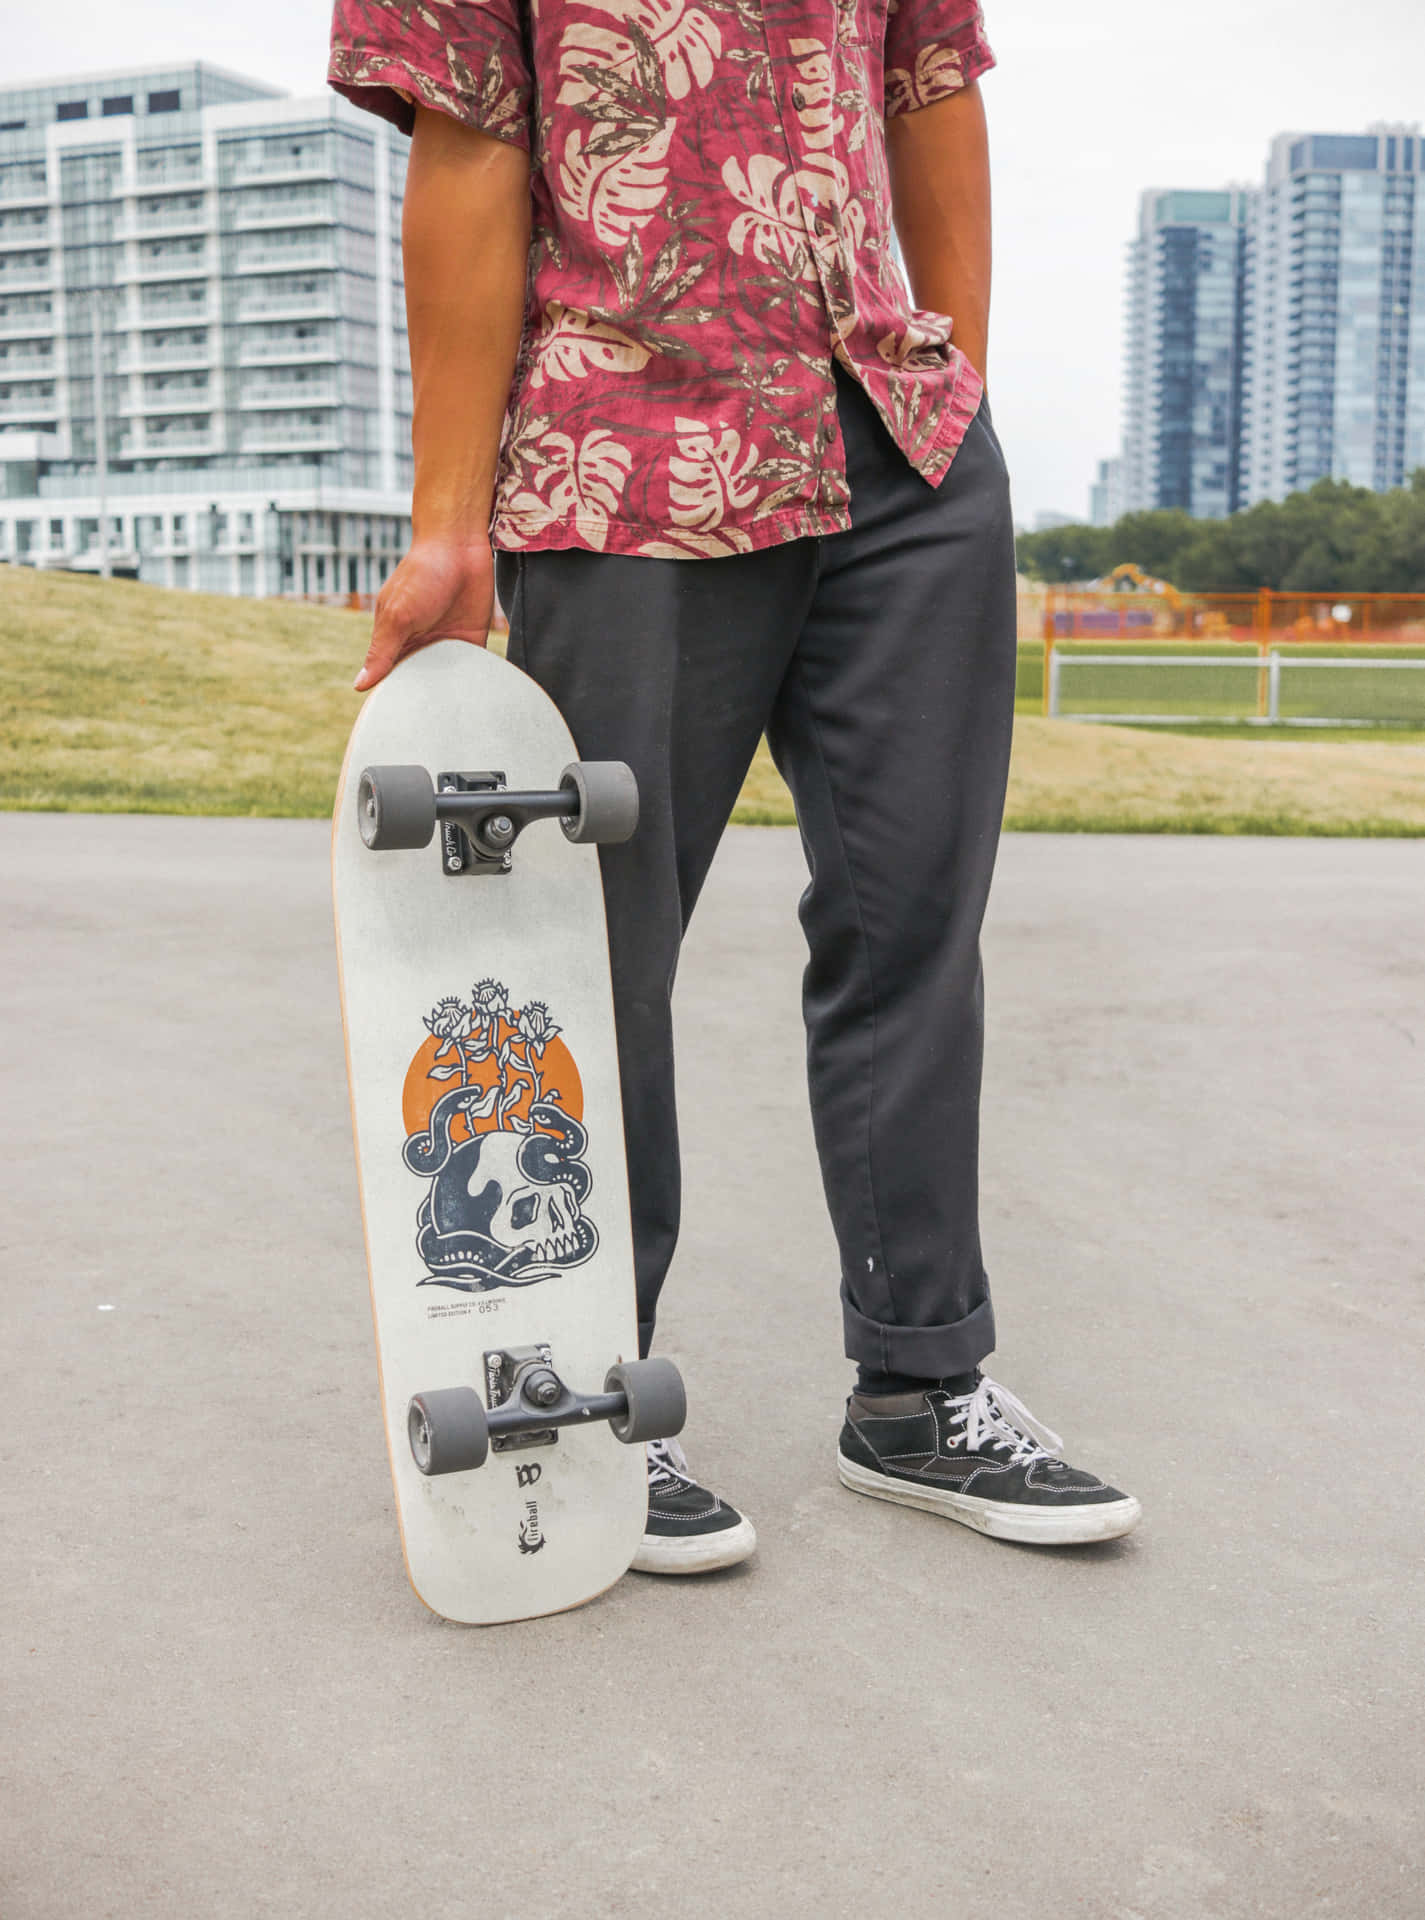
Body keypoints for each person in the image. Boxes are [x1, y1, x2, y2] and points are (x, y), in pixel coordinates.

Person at [328, 0, 1141, 1573]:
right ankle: (576, 1390)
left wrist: (940, 393)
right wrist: (446, 520)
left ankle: (917, 1387)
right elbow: (469, 145)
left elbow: (928, 91)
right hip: (630, 451)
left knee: (912, 925)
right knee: (592, 958)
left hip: (890, 456)